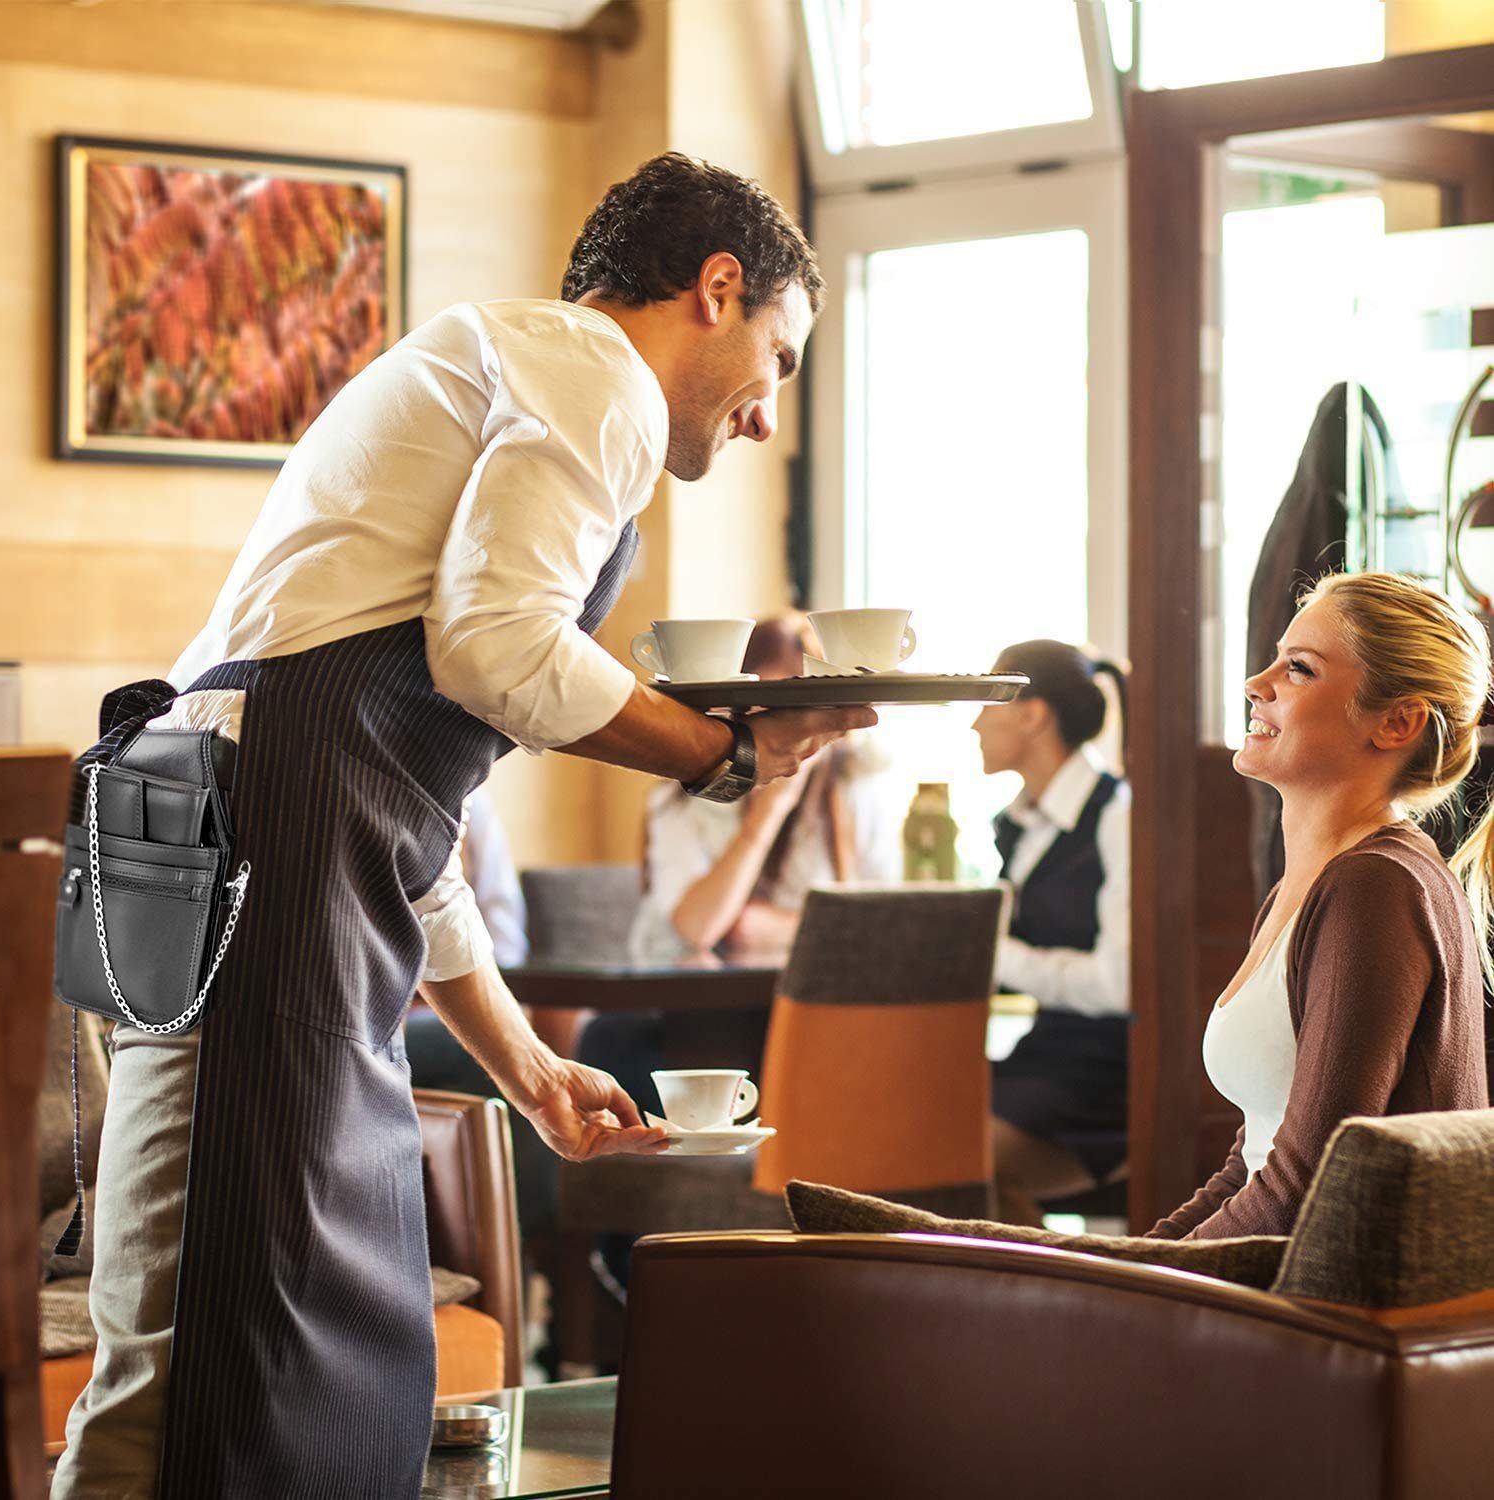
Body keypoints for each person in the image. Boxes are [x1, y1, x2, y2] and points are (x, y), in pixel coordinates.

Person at [55, 153, 875, 1500]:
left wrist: (526, 1068)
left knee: (221, 1346)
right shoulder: (595, 372)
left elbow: (405, 799)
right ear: (716, 288)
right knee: (222, 1357)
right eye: (778, 359)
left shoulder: (503, 367)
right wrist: (720, 751)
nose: (768, 414)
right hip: (253, 847)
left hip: (209, 821)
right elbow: (496, 649)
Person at [1151, 571, 1490, 1240]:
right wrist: (1132, 1262)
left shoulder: (1375, 889)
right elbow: (1254, 1163)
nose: (1257, 682)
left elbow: (1305, 1188)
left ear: (1397, 722)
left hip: (1340, 1314)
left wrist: (1134, 1291)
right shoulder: (1303, 888)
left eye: (1299, 669)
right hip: (1286, 1281)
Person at [579, 614, 899, 1124]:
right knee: (610, 1042)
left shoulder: (852, 793)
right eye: (765, 702)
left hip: (809, 1015)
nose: (784, 721)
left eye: (798, 701)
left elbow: (880, 924)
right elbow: (698, 928)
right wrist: (766, 813)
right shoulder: (684, 794)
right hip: (689, 1013)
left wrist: (761, 924)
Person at [975, 641, 1131, 1227]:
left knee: (964, 1162)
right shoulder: (1020, 825)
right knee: (909, 1132)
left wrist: (995, 955)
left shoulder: (1119, 818)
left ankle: (1054, 1305)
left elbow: (1119, 986)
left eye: (988, 701)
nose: (974, 720)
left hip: (1107, 1071)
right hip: (1044, 1055)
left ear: (1033, 714)